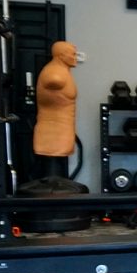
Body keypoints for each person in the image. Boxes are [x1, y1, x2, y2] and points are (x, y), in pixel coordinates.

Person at [33, 40, 79, 178]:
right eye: (73, 54)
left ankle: (56, 183)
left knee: (60, 156)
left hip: (64, 126)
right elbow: (52, 80)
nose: (75, 57)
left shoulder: (63, 72)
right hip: (52, 128)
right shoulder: (54, 74)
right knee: (53, 156)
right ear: (61, 56)